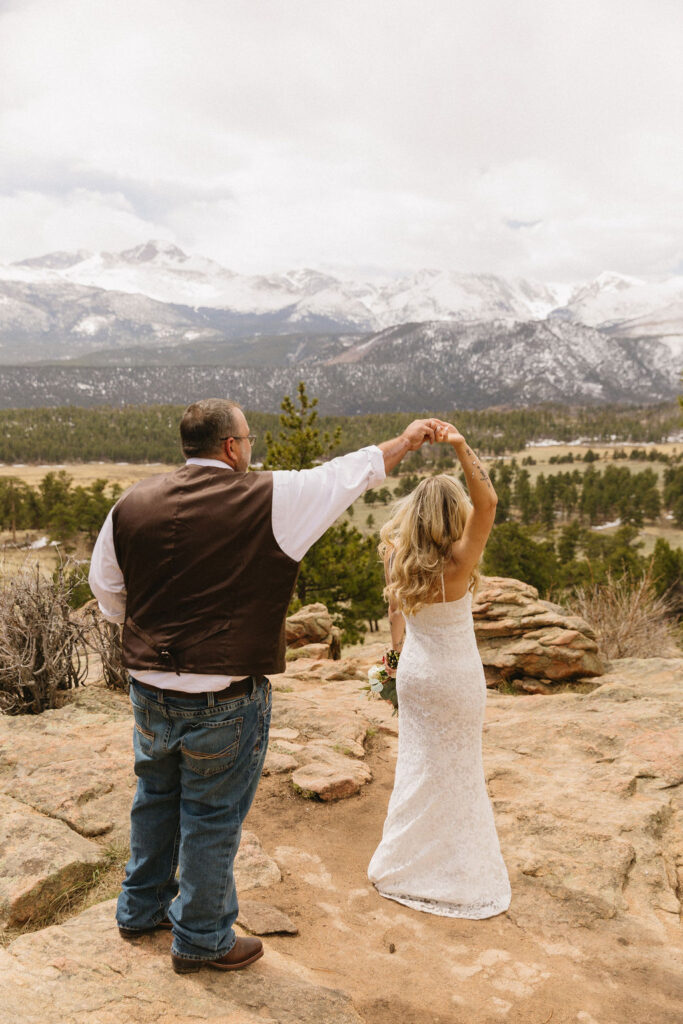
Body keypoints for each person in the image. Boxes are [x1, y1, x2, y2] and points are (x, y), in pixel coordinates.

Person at [89, 398, 440, 974]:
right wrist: (403, 442)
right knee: (211, 816)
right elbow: (345, 474)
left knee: (154, 797)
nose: (251, 449)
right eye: (248, 439)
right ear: (231, 447)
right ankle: (202, 938)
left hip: (149, 688)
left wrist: (157, 627)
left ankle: (140, 908)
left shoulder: (131, 502)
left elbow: (108, 592)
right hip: (224, 696)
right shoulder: (269, 499)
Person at [367, 420, 512, 918]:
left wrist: (395, 657)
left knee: (417, 764)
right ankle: (457, 866)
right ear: (454, 514)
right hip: (457, 679)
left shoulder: (394, 555)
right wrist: (460, 445)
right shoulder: (461, 562)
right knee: (460, 769)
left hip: (418, 676)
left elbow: (395, 616)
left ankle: (404, 864)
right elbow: (489, 502)